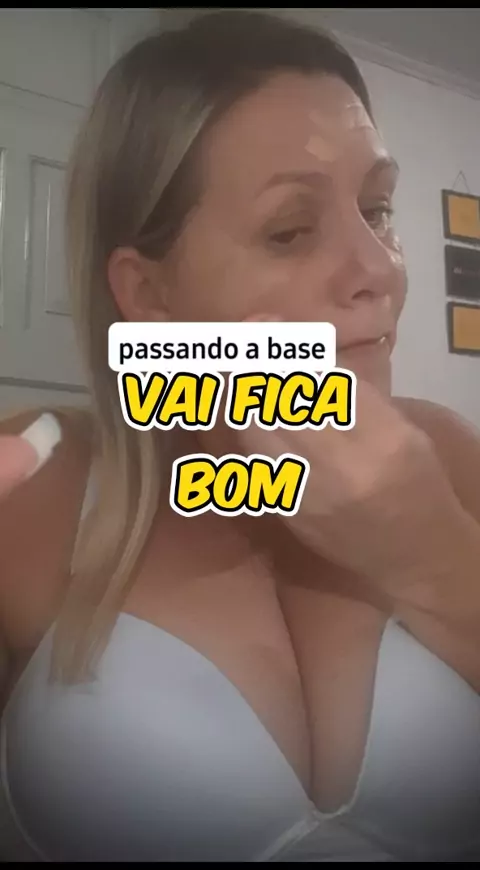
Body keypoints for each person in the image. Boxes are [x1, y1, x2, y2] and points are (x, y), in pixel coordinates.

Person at [0, 10, 479, 863]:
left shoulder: (445, 453)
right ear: (149, 296)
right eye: (290, 230)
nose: (379, 270)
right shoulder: (38, 484)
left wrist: (433, 560)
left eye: (377, 209)